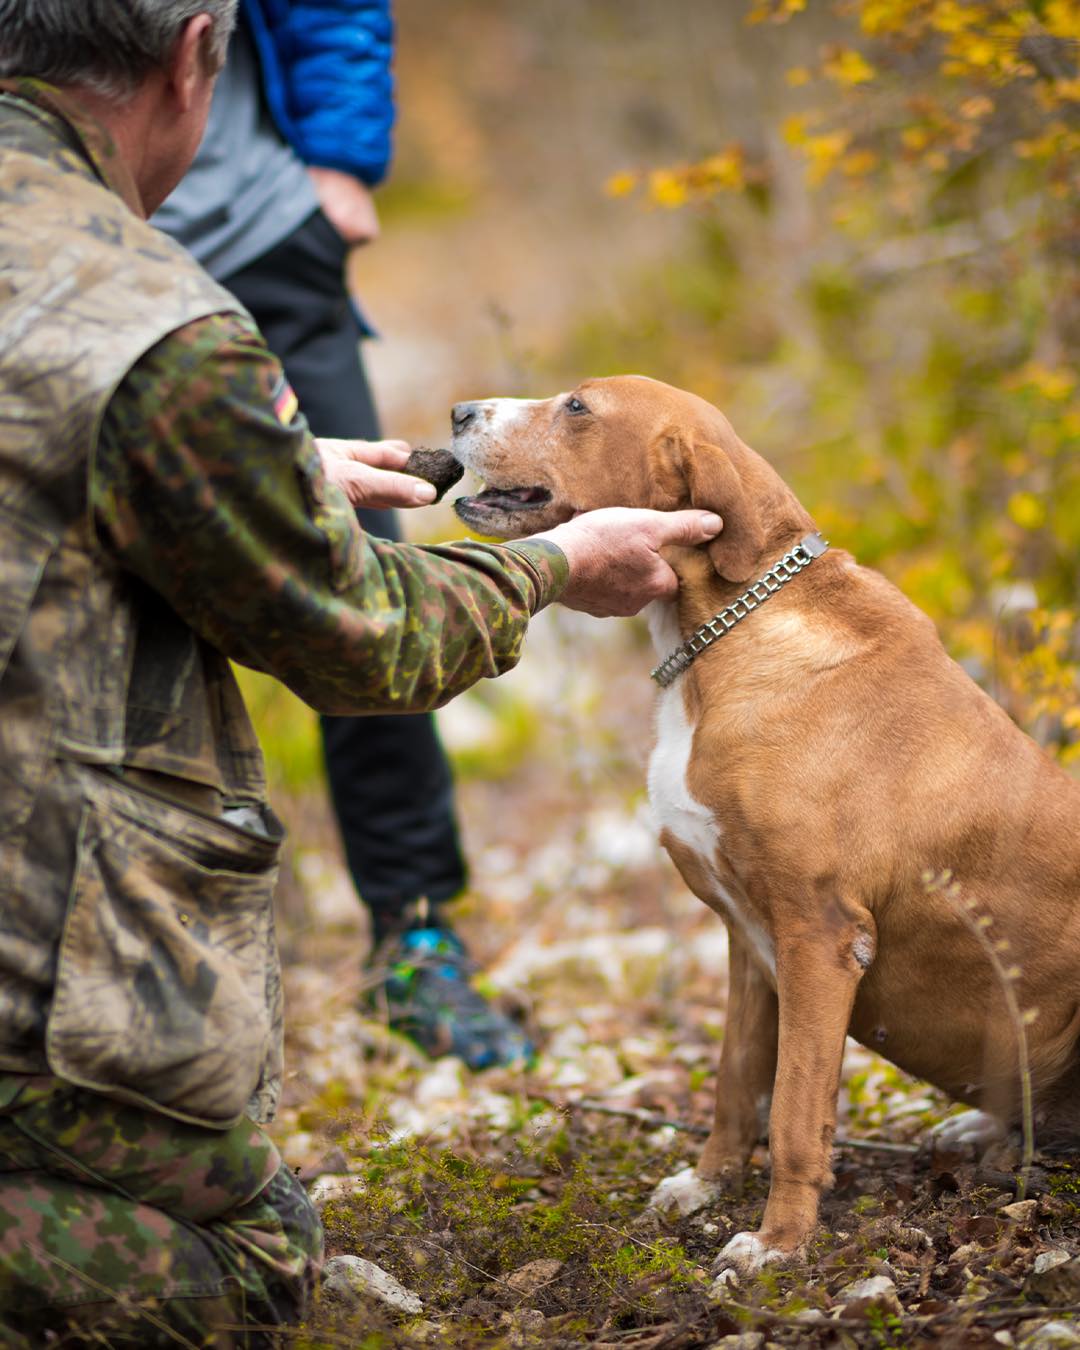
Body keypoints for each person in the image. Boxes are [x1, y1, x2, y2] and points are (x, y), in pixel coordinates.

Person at [0, 3, 721, 1341]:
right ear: (198, 55)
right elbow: (362, 639)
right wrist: (558, 565)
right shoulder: (152, 314)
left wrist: (256, 470)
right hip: (26, 978)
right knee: (257, 1252)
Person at [153, 0, 531, 1072]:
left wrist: (342, 168)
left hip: (267, 241)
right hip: (68, 275)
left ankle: (416, 939)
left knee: (362, 568)